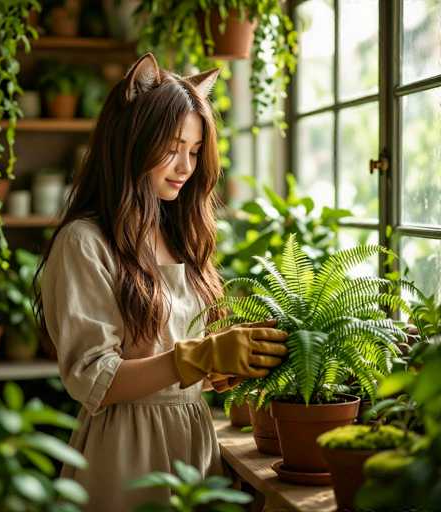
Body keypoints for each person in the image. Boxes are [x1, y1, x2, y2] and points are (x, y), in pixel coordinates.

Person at [35, 52, 288, 512]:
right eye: (172, 148)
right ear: (130, 140)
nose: (186, 166)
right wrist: (197, 356)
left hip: (195, 444)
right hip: (126, 453)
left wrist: (221, 366)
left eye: (193, 151)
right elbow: (96, 380)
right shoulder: (84, 241)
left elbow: (180, 362)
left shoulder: (180, 237)